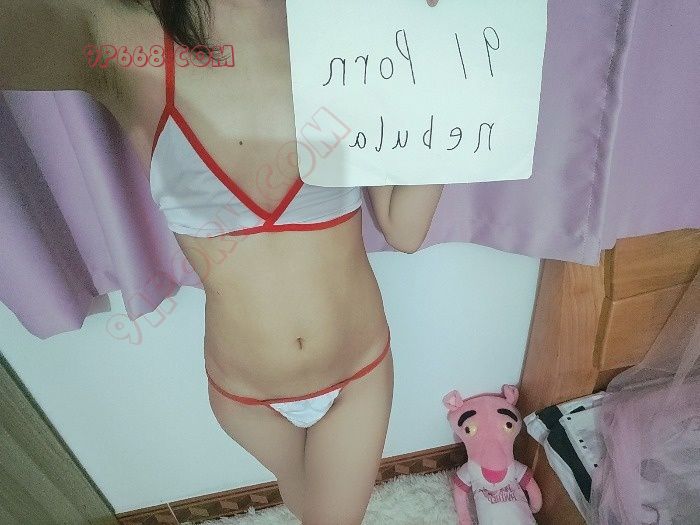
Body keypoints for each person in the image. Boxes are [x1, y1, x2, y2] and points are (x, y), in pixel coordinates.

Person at [1, 1, 443, 523]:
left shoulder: (342, 22)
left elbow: (404, 229)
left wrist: (447, 89)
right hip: (248, 401)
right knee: (310, 496)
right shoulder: (113, 31)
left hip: (359, 374)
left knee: (322, 510)